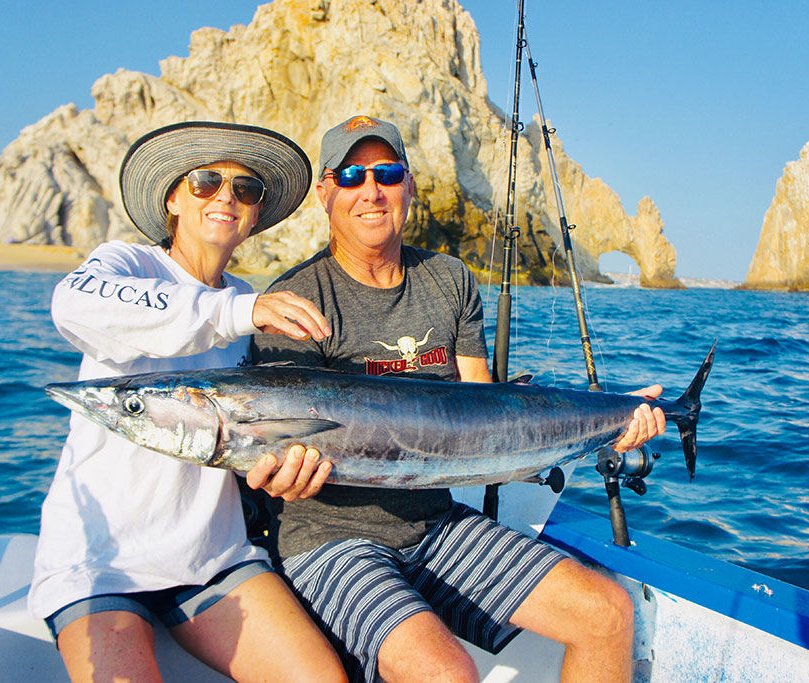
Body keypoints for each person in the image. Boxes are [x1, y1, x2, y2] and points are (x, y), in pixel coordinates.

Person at [254, 115, 667, 682]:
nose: (371, 190)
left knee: (609, 615)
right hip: (331, 541)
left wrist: (614, 416)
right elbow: (272, 436)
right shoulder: (295, 299)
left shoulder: (448, 279)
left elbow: (485, 411)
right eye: (351, 175)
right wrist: (275, 475)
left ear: (411, 185)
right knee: (446, 673)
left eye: (388, 172)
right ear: (325, 193)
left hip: (436, 524)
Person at [29, 121, 346, 682]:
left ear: (253, 217)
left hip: (210, 560)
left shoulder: (251, 305)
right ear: (173, 198)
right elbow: (71, 305)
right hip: (99, 565)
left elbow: (259, 433)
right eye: (205, 182)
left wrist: (283, 474)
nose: (226, 195)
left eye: (245, 190)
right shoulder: (126, 266)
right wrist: (232, 315)